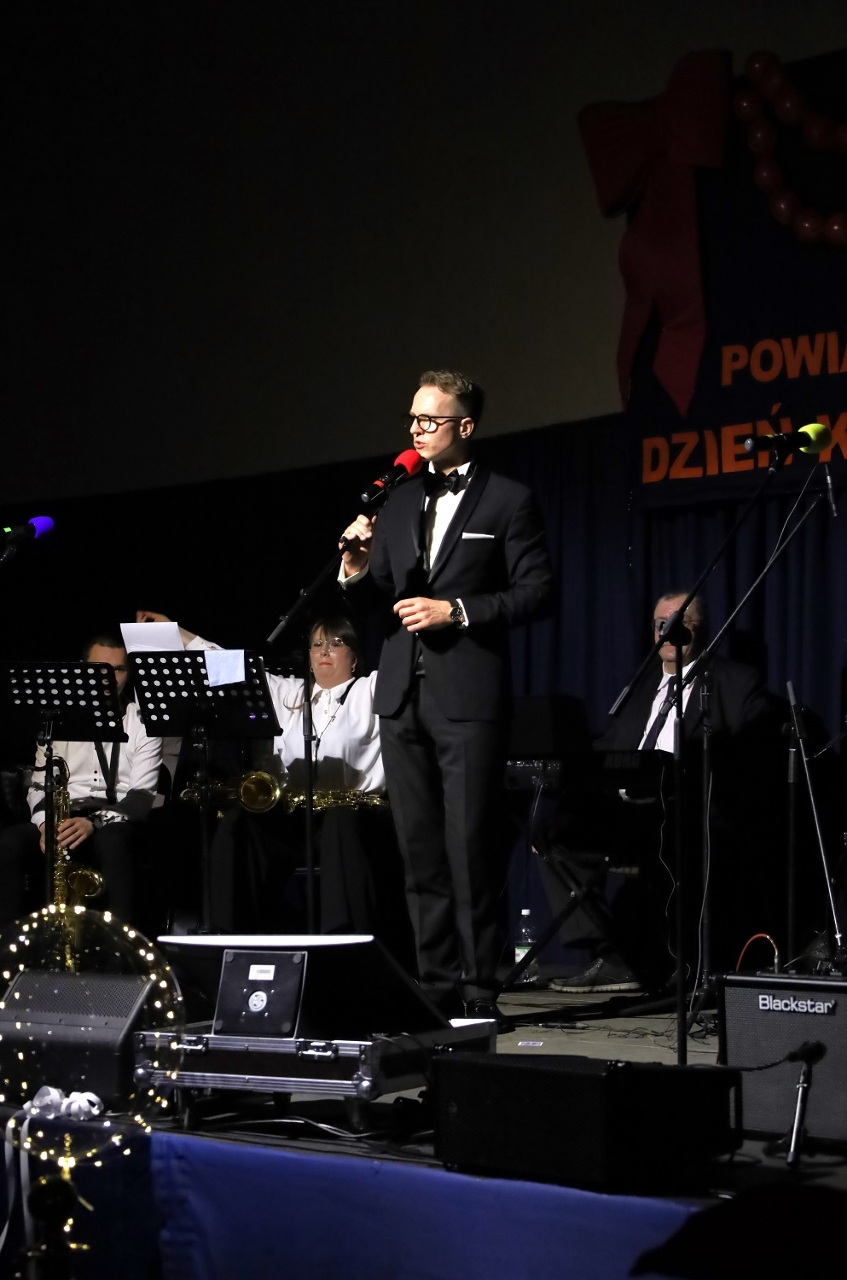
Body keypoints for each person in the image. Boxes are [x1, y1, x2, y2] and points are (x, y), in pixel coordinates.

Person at [338, 369, 554, 1021]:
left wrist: (454, 610)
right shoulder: (398, 500)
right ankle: (433, 984)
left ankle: (480, 985)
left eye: (429, 419)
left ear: (465, 425)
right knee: (419, 850)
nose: (416, 429)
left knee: (470, 847)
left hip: (467, 697)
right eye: (412, 418)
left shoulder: (508, 500)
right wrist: (355, 569)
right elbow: (381, 597)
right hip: (401, 694)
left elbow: (537, 593)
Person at [134, 610, 413, 963]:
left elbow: (409, 668)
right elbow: (226, 664)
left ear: (355, 657)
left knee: (341, 823)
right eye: (317, 645)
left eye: (336, 643)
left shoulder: (370, 690)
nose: (324, 651)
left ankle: (342, 948)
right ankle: (228, 941)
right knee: (239, 823)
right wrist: (176, 633)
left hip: (353, 815)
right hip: (294, 813)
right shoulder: (288, 693)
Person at [536, 591, 780, 994]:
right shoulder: (641, 686)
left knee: (674, 843)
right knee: (552, 834)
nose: (668, 632)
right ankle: (616, 956)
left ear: (702, 629)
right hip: (628, 813)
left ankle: (667, 963)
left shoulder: (735, 682)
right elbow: (609, 748)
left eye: (680, 623)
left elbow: (751, 756)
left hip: (689, 816)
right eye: (660, 624)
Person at [0, 634, 164, 928]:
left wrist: (94, 822)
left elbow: (141, 797)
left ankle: (122, 944)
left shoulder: (143, 722)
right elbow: (38, 786)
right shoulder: (56, 719)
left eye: (118, 670)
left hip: (116, 819)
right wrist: (45, 823)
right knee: (9, 843)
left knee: (113, 842)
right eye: (100, 669)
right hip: (62, 815)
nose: (109, 679)